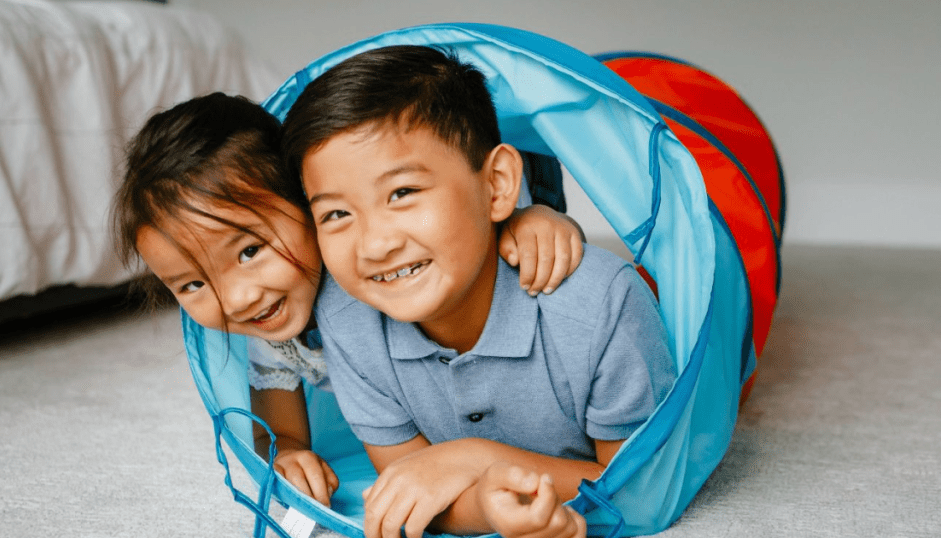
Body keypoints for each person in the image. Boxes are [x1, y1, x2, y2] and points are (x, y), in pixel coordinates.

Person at [109, 92, 587, 509]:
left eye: (250, 251)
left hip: (501, 215)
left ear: (307, 201)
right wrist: (290, 453)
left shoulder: (376, 263)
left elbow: (462, 231)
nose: (236, 299)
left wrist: (532, 217)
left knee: (531, 244)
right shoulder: (274, 330)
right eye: (192, 284)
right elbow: (280, 434)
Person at [281, 45, 677, 538]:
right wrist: (490, 507)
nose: (376, 244)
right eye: (336, 214)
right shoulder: (347, 319)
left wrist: (473, 458)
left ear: (496, 184)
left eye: (402, 193)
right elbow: (411, 484)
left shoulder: (603, 305)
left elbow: (643, 492)